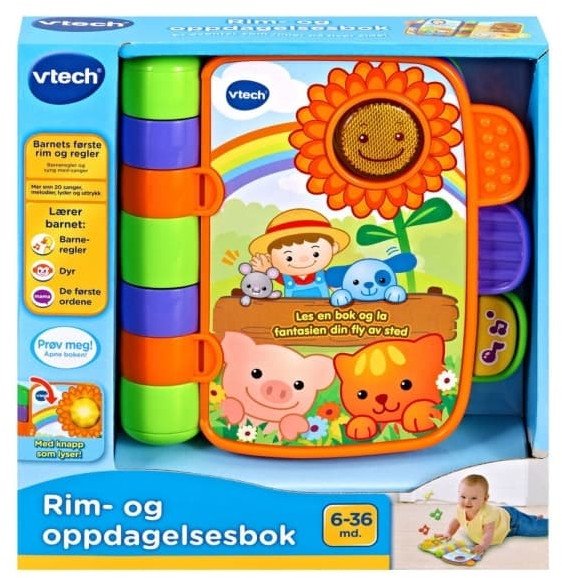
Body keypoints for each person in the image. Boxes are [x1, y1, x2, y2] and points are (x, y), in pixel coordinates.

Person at [249, 208, 350, 299]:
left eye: (315, 254)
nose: (304, 259)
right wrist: (266, 269)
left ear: (333, 248)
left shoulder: (326, 277)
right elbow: (271, 277)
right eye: (289, 258)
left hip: (322, 313)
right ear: (270, 258)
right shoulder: (285, 278)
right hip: (292, 313)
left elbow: (337, 290)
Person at [438, 474, 548, 555]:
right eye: (463, 497)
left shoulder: (487, 513)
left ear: (485, 499)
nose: (467, 502)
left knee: (536, 528)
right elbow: (456, 521)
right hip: (499, 518)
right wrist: (449, 533)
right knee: (528, 521)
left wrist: (482, 546)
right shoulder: (460, 508)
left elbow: (488, 533)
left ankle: (536, 521)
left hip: (512, 522)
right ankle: (533, 518)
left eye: (474, 498)